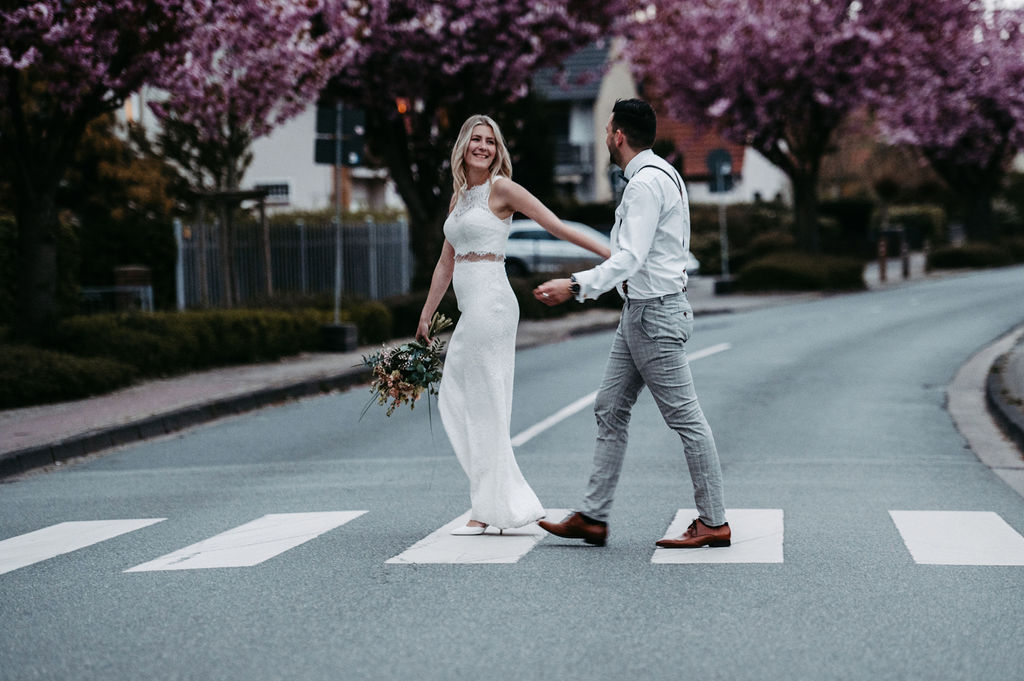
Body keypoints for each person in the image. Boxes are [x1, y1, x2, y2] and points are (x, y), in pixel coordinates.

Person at [532, 99, 729, 549]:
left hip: (654, 315)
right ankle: (594, 517)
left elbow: (630, 257)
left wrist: (576, 285)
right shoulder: (665, 173)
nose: (605, 137)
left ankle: (714, 521)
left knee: (687, 419)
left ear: (618, 135)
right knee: (609, 407)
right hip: (642, 313)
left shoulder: (643, 185)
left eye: (606, 130)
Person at [417, 114, 610, 536]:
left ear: (497, 149)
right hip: (471, 309)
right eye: (476, 140)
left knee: (485, 403)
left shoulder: (501, 188)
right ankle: (493, 500)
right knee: (458, 399)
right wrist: (427, 313)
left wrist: (614, 256)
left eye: (490, 141)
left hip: (494, 305)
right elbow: (446, 261)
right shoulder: (460, 197)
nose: (483, 147)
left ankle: (486, 508)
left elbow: (555, 224)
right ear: (464, 147)